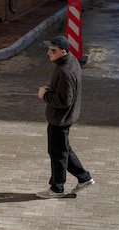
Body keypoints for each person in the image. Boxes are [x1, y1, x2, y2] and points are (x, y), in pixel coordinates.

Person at [36, 35, 94, 198]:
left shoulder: (65, 71)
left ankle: (57, 188)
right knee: (63, 150)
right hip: (64, 118)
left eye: (52, 51)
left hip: (60, 119)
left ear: (62, 52)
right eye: (48, 49)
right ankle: (84, 178)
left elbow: (64, 101)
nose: (49, 53)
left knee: (57, 154)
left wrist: (44, 95)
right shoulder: (71, 62)